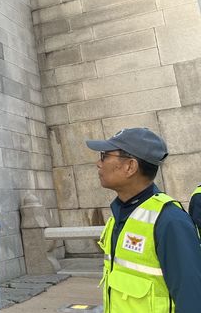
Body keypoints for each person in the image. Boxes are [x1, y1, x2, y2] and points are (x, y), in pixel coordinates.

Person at [86, 128, 201, 312]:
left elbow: (193, 300)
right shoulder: (119, 216)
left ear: (130, 166)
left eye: (104, 156)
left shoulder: (170, 221)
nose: (98, 163)